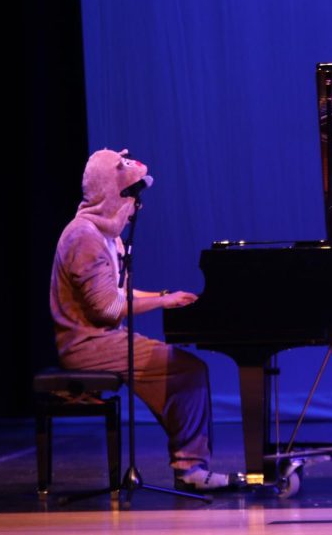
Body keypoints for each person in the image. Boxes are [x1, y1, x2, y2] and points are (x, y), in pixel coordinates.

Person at [49, 148, 240, 492]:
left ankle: (189, 461)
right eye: (133, 196)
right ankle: (190, 467)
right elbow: (108, 309)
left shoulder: (103, 236)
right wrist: (162, 302)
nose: (138, 206)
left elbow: (120, 293)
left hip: (102, 340)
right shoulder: (84, 238)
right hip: (86, 346)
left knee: (185, 368)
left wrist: (167, 296)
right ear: (114, 195)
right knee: (188, 370)